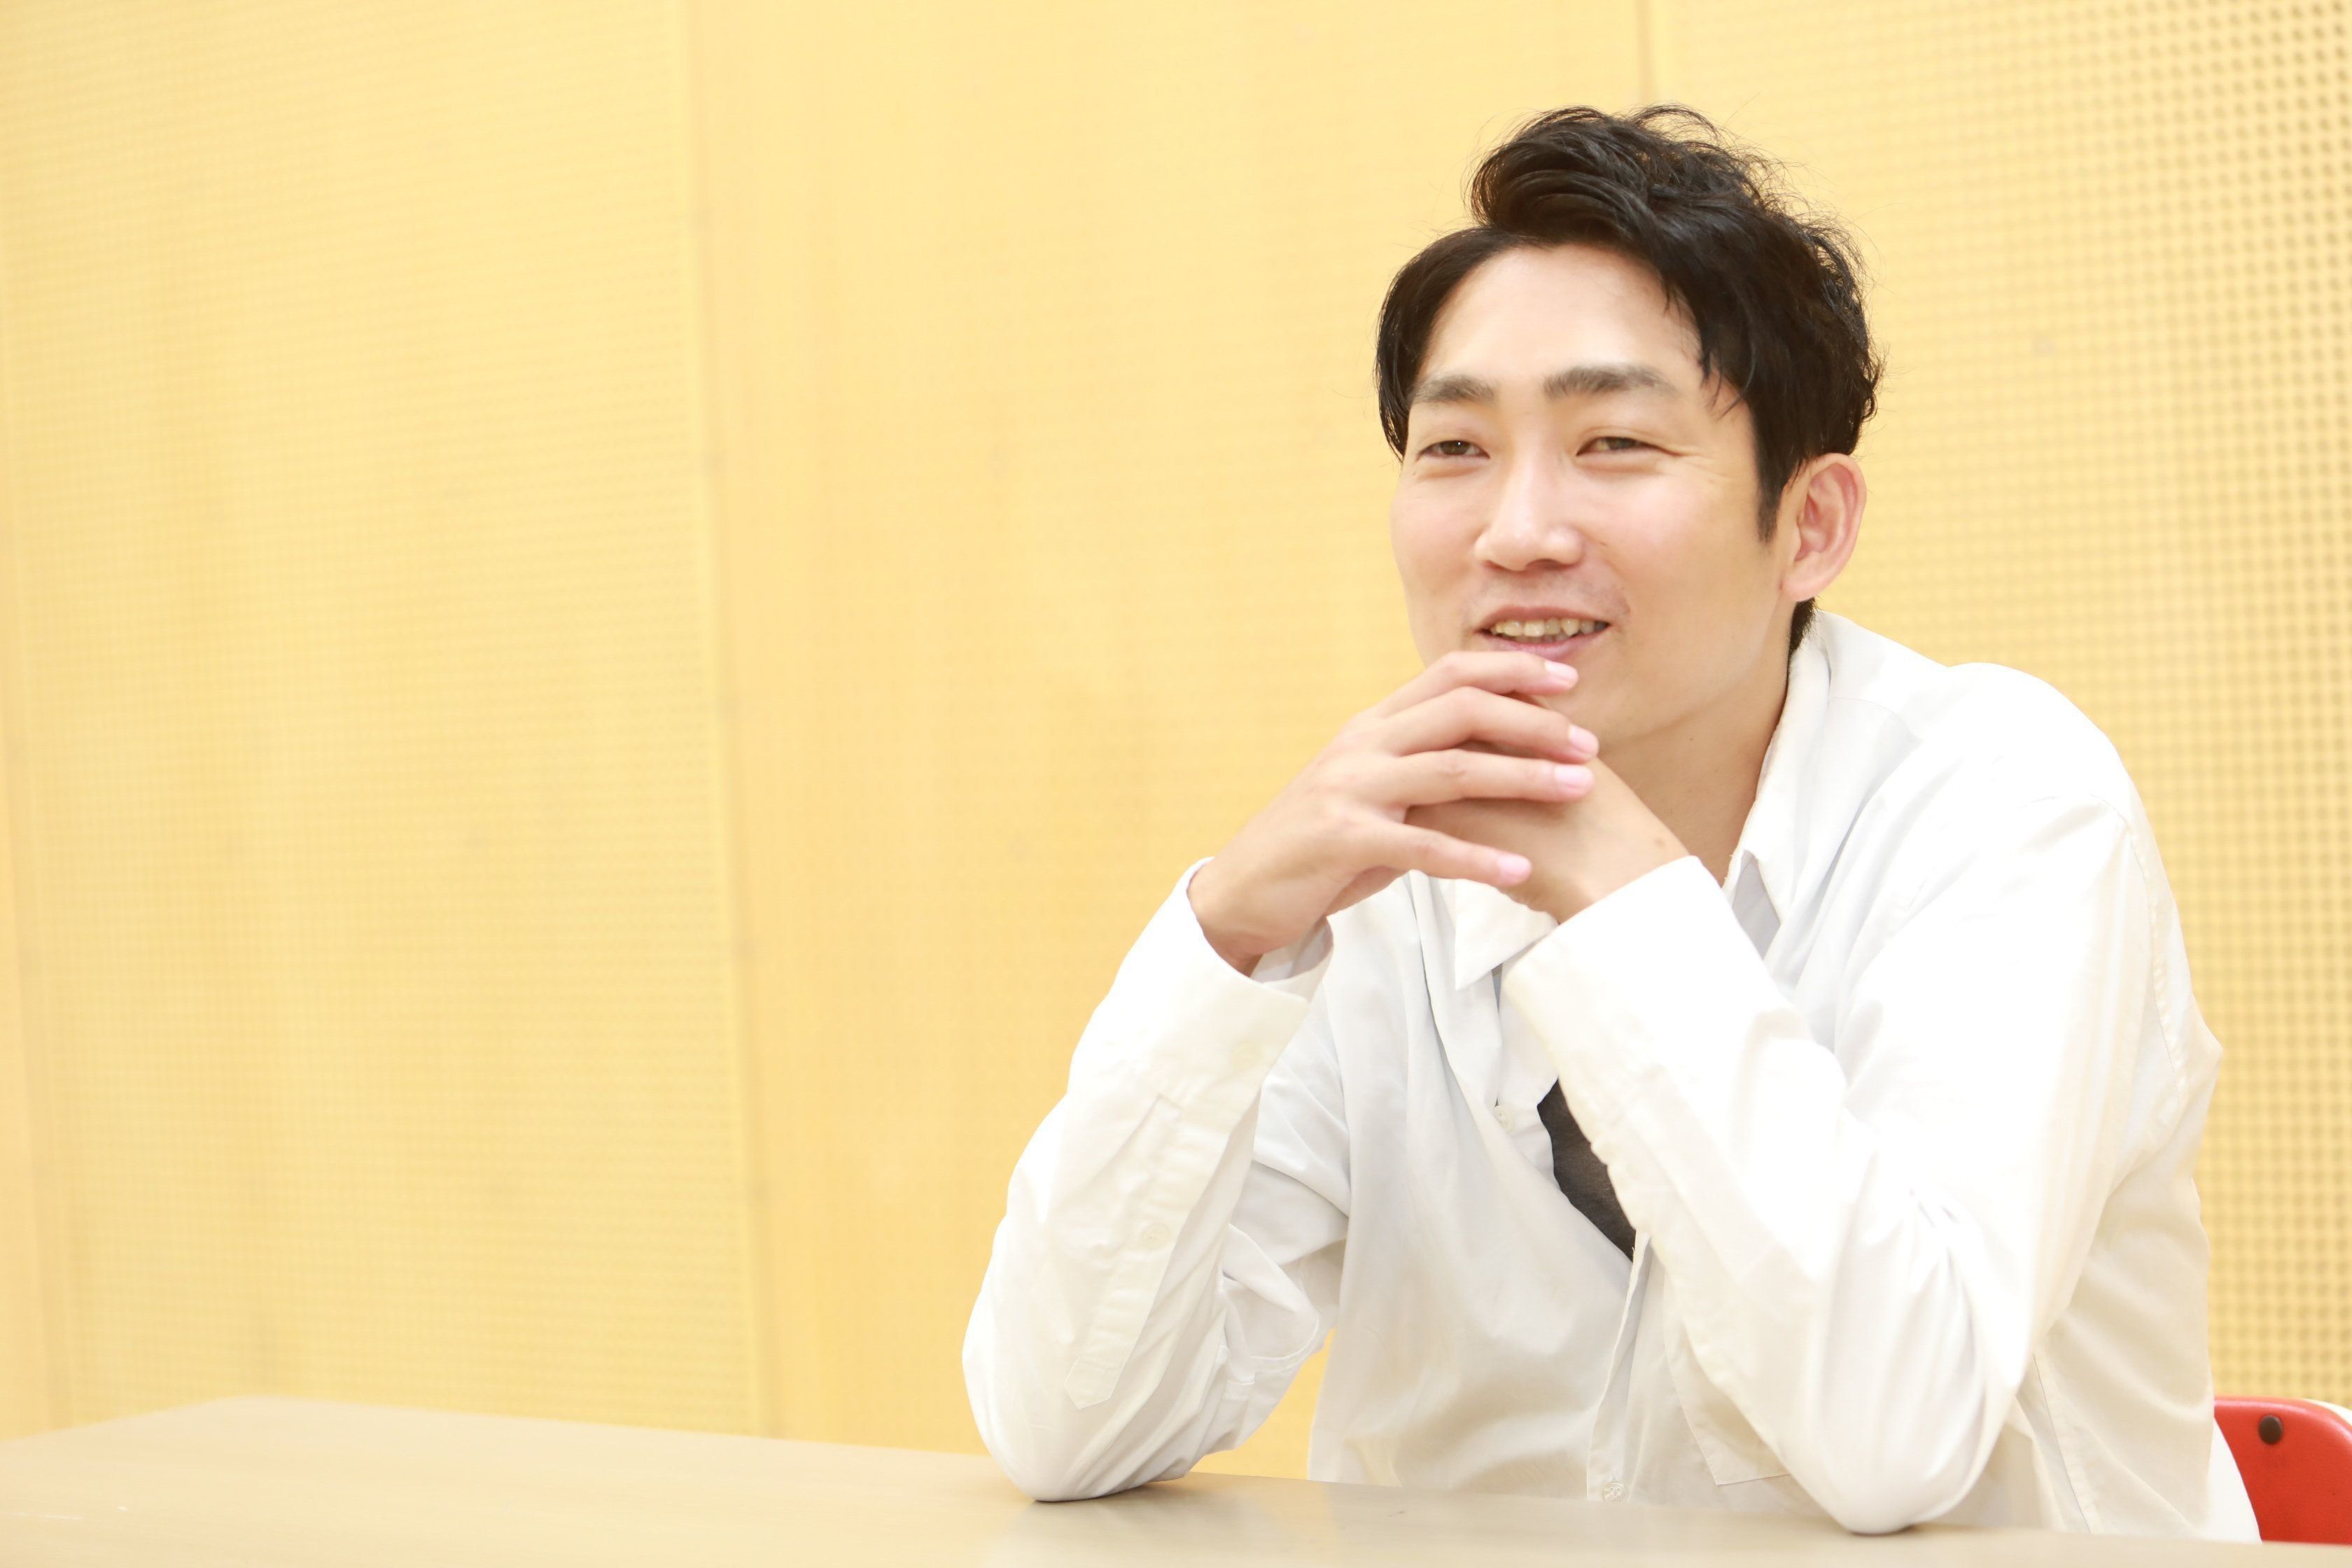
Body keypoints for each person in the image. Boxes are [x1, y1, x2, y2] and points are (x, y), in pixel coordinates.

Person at [961, 104, 2258, 1539]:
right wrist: (1228, 935)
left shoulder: (2004, 801)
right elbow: (1069, 1424)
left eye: (1615, 442)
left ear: (1810, 526)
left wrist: (1617, 893)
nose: (1517, 529)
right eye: (1456, 447)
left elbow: (1899, 1435)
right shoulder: (1380, 866)